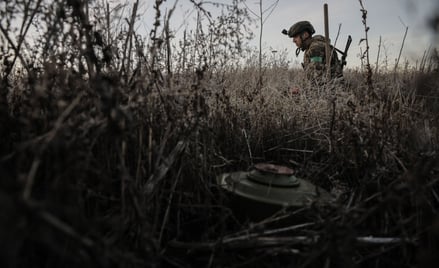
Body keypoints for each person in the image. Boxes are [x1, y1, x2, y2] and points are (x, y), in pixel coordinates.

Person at [285, 21, 343, 88]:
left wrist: (300, 89)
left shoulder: (316, 48)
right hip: (325, 89)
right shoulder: (310, 48)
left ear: (305, 35)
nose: (293, 40)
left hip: (332, 92)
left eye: (295, 37)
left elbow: (316, 78)